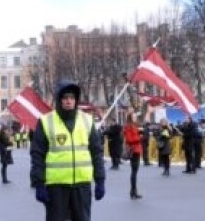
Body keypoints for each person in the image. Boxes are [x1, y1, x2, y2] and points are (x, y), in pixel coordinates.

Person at [31, 79, 106, 221]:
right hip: (56, 187)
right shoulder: (46, 121)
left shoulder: (87, 120)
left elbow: (96, 152)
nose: (68, 101)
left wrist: (100, 180)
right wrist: (38, 183)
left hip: (82, 185)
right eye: (65, 97)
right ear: (59, 99)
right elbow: (37, 155)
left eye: (72, 97)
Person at [121, 113, 143, 199]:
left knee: (135, 172)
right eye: (134, 116)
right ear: (130, 117)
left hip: (136, 150)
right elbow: (129, 139)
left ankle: (133, 191)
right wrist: (139, 137)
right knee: (134, 172)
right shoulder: (129, 126)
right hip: (133, 150)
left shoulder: (134, 125)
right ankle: (133, 192)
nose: (135, 118)